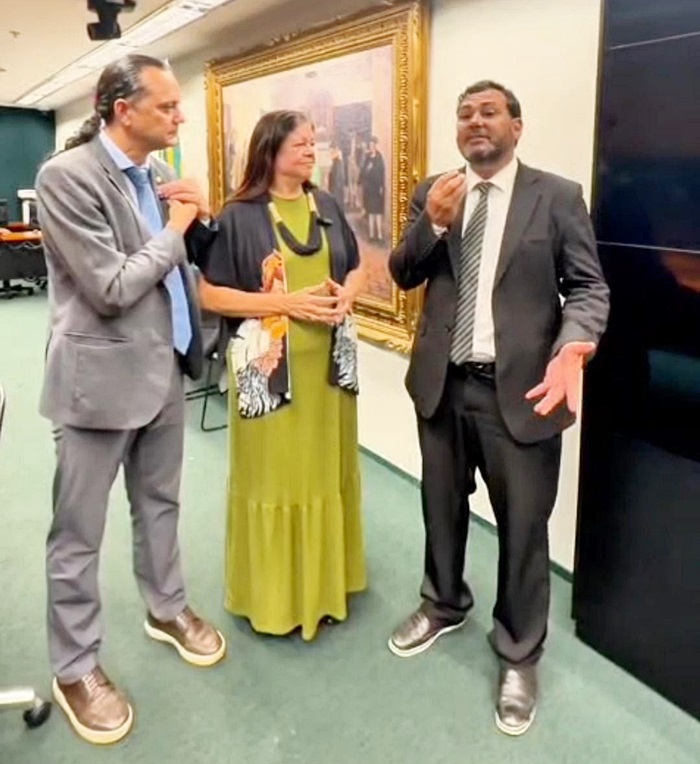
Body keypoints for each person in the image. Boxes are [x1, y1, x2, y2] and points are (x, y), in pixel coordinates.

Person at [387, 81, 609, 736]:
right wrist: (432, 223)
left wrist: (574, 346)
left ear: (517, 126)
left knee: (522, 529)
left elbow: (588, 287)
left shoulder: (557, 197)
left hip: (521, 393)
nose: (475, 122)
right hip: (442, 384)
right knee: (440, 506)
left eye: (489, 112)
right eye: (465, 114)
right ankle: (443, 602)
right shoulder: (436, 191)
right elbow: (403, 271)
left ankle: (518, 651)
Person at [35, 54, 226, 746]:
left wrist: (196, 220)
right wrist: (176, 227)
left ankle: (165, 607)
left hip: (164, 367)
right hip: (97, 382)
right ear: (123, 110)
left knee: (160, 504)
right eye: (168, 106)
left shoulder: (155, 174)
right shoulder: (66, 176)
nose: (180, 116)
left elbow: (180, 271)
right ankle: (75, 666)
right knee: (78, 533)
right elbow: (112, 287)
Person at [197, 110, 367, 642]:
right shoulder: (238, 216)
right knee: (274, 477)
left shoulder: (328, 205)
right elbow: (209, 294)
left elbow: (357, 265)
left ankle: (327, 586)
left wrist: (349, 293)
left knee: (324, 473)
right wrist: (284, 303)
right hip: (267, 369)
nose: (311, 151)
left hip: (329, 372)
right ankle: (273, 598)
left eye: (314, 142)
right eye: (300, 143)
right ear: (269, 151)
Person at [359, 136, 386, 244]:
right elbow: (363, 172)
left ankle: (379, 235)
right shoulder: (367, 157)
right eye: (370, 145)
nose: (371, 147)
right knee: (370, 211)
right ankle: (371, 234)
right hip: (369, 189)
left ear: (375, 145)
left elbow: (381, 173)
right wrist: (367, 169)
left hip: (377, 188)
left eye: (373, 145)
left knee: (377, 212)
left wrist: (381, 187)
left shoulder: (379, 157)